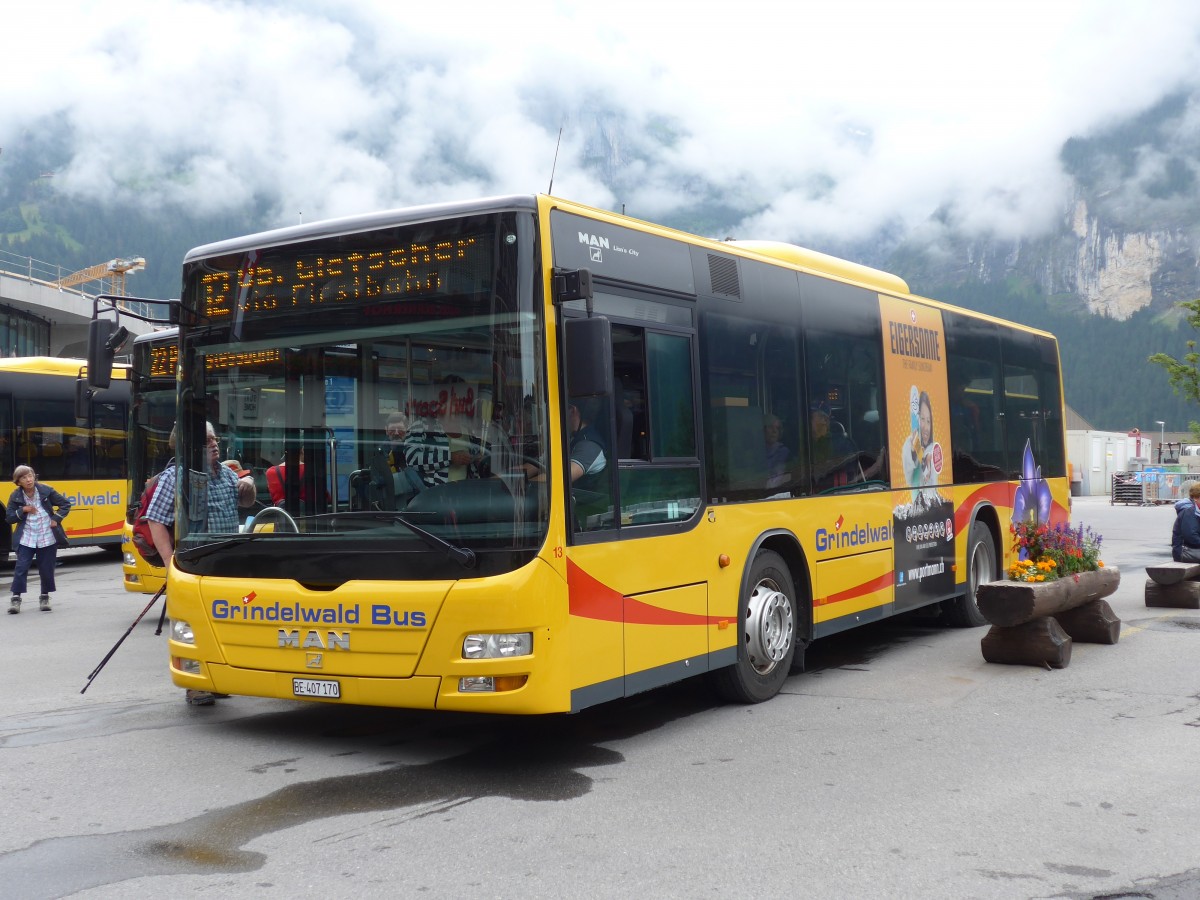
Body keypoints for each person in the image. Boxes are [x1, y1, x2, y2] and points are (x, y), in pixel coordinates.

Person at [145, 422, 244, 706]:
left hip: (229, 567)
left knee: (224, 626)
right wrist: (170, 563)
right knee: (194, 628)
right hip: (198, 564)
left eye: (215, 438)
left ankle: (217, 679)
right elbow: (155, 520)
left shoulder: (226, 474)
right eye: (206, 441)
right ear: (188, 446)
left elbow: (244, 504)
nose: (214, 444)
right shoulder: (177, 477)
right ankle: (195, 686)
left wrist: (246, 488)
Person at [6, 466, 71, 613]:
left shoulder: (46, 491)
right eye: (24, 478)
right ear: (18, 482)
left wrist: (56, 518)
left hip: (47, 536)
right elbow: (9, 518)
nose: (28, 479)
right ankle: (16, 599)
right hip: (26, 537)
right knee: (21, 568)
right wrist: (23, 510)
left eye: (30, 475)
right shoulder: (15, 496)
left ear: (34, 476)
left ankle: (44, 597)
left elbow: (66, 504)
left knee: (46, 568)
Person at [901, 390, 937, 487]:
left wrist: (928, 464)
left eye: (928, 421)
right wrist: (913, 452)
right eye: (922, 419)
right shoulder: (909, 443)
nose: (925, 427)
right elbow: (908, 479)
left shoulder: (934, 447)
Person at [1171, 481, 1200, 562]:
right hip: (1185, 552)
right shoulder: (1188, 513)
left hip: (1194, 550)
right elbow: (1191, 537)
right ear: (1195, 498)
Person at [764, 413, 789, 489]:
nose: (774, 431)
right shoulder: (755, 452)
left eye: (777, 428)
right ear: (763, 429)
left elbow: (776, 481)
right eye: (771, 427)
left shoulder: (784, 452)